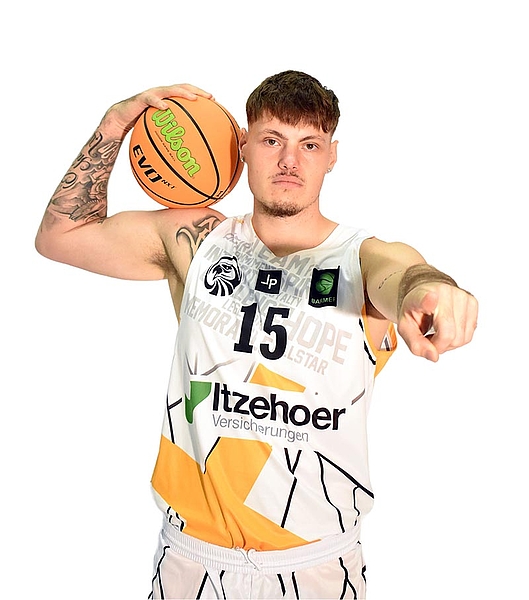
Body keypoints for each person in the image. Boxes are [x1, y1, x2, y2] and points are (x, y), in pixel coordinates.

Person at [35, 71, 478, 599]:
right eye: (272, 140)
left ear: (331, 156)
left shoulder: (361, 258)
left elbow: (404, 275)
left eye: (309, 144)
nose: (290, 161)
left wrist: (431, 289)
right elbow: (61, 237)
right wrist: (115, 123)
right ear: (243, 146)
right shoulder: (195, 240)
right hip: (191, 560)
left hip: (314, 565)